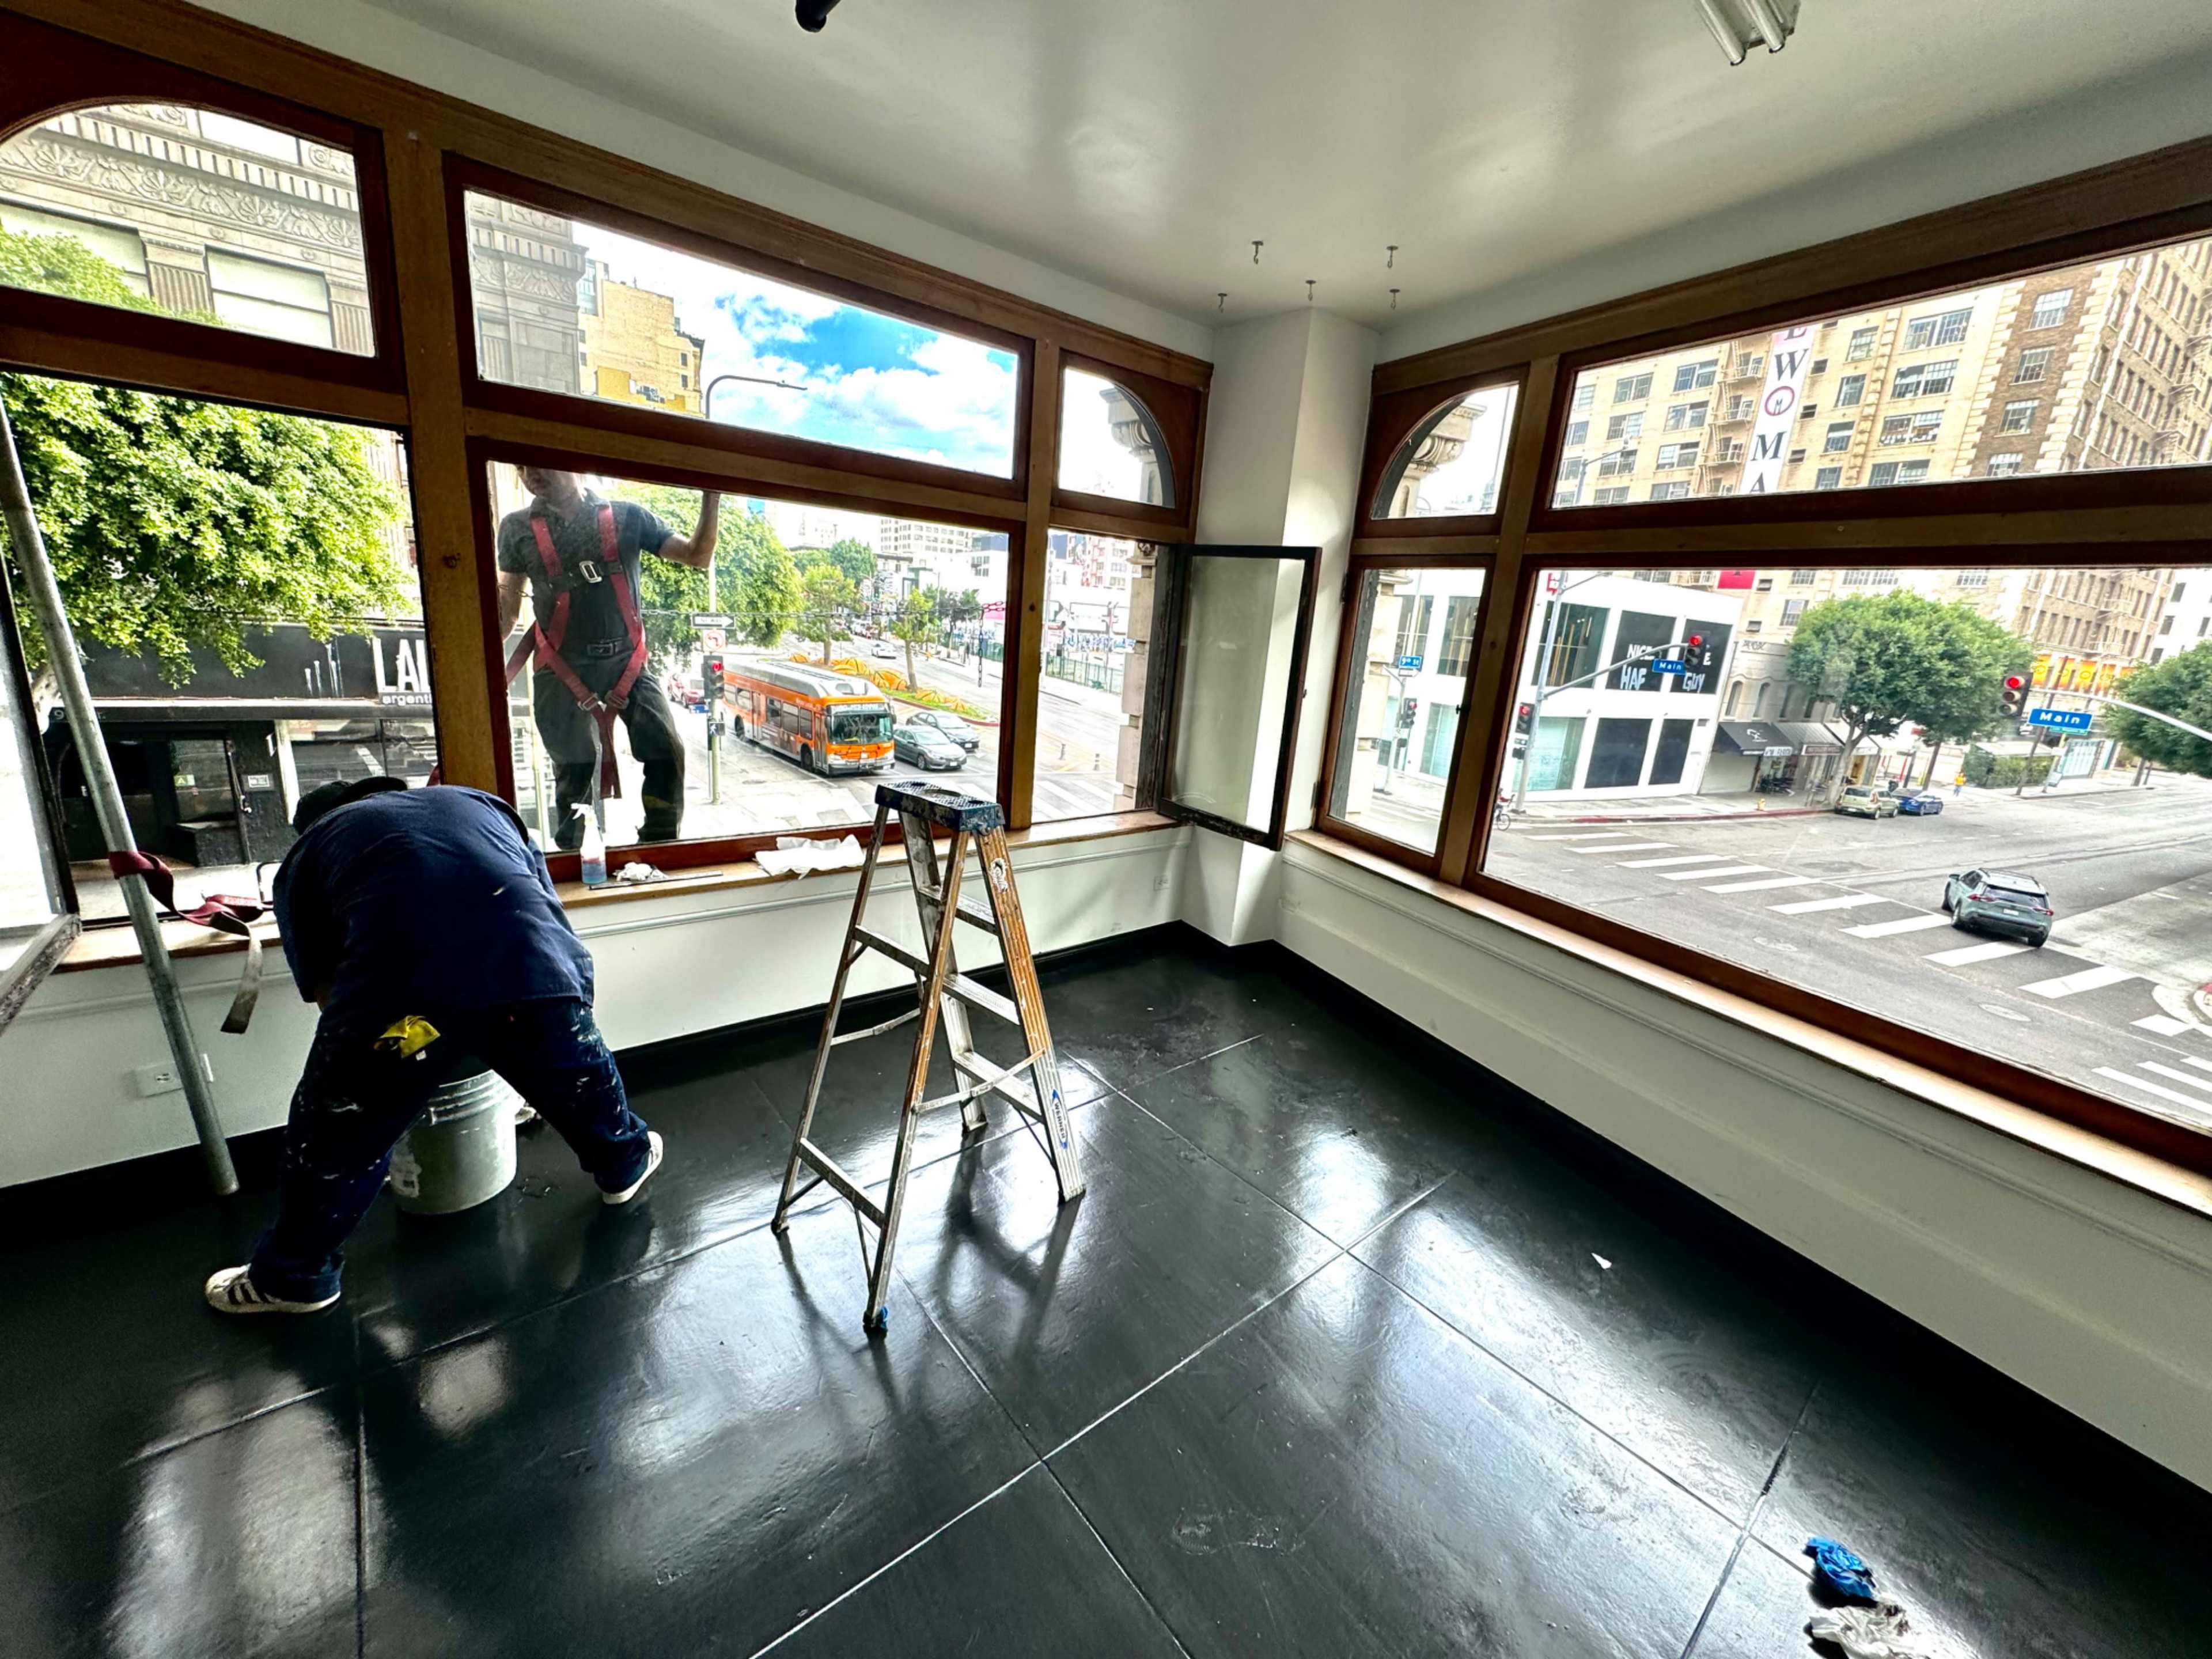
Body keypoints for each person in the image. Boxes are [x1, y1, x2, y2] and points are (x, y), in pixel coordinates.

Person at [204, 777, 663, 1315]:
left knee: (336, 1137)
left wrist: (400, 1059)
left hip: (406, 1008)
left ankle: (293, 1278)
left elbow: (326, 990)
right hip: (529, 976)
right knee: (579, 1077)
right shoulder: (476, 802)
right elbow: (537, 899)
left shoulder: (310, 852)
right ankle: (625, 1163)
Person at [496, 467, 720, 847]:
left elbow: (697, 556)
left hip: (627, 663)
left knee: (666, 751)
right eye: (521, 467)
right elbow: (509, 613)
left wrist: (711, 494)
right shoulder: (517, 528)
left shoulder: (627, 517)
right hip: (560, 666)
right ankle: (578, 859)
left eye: (539, 463)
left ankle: (661, 846)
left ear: (575, 466)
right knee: (575, 768)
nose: (530, 474)